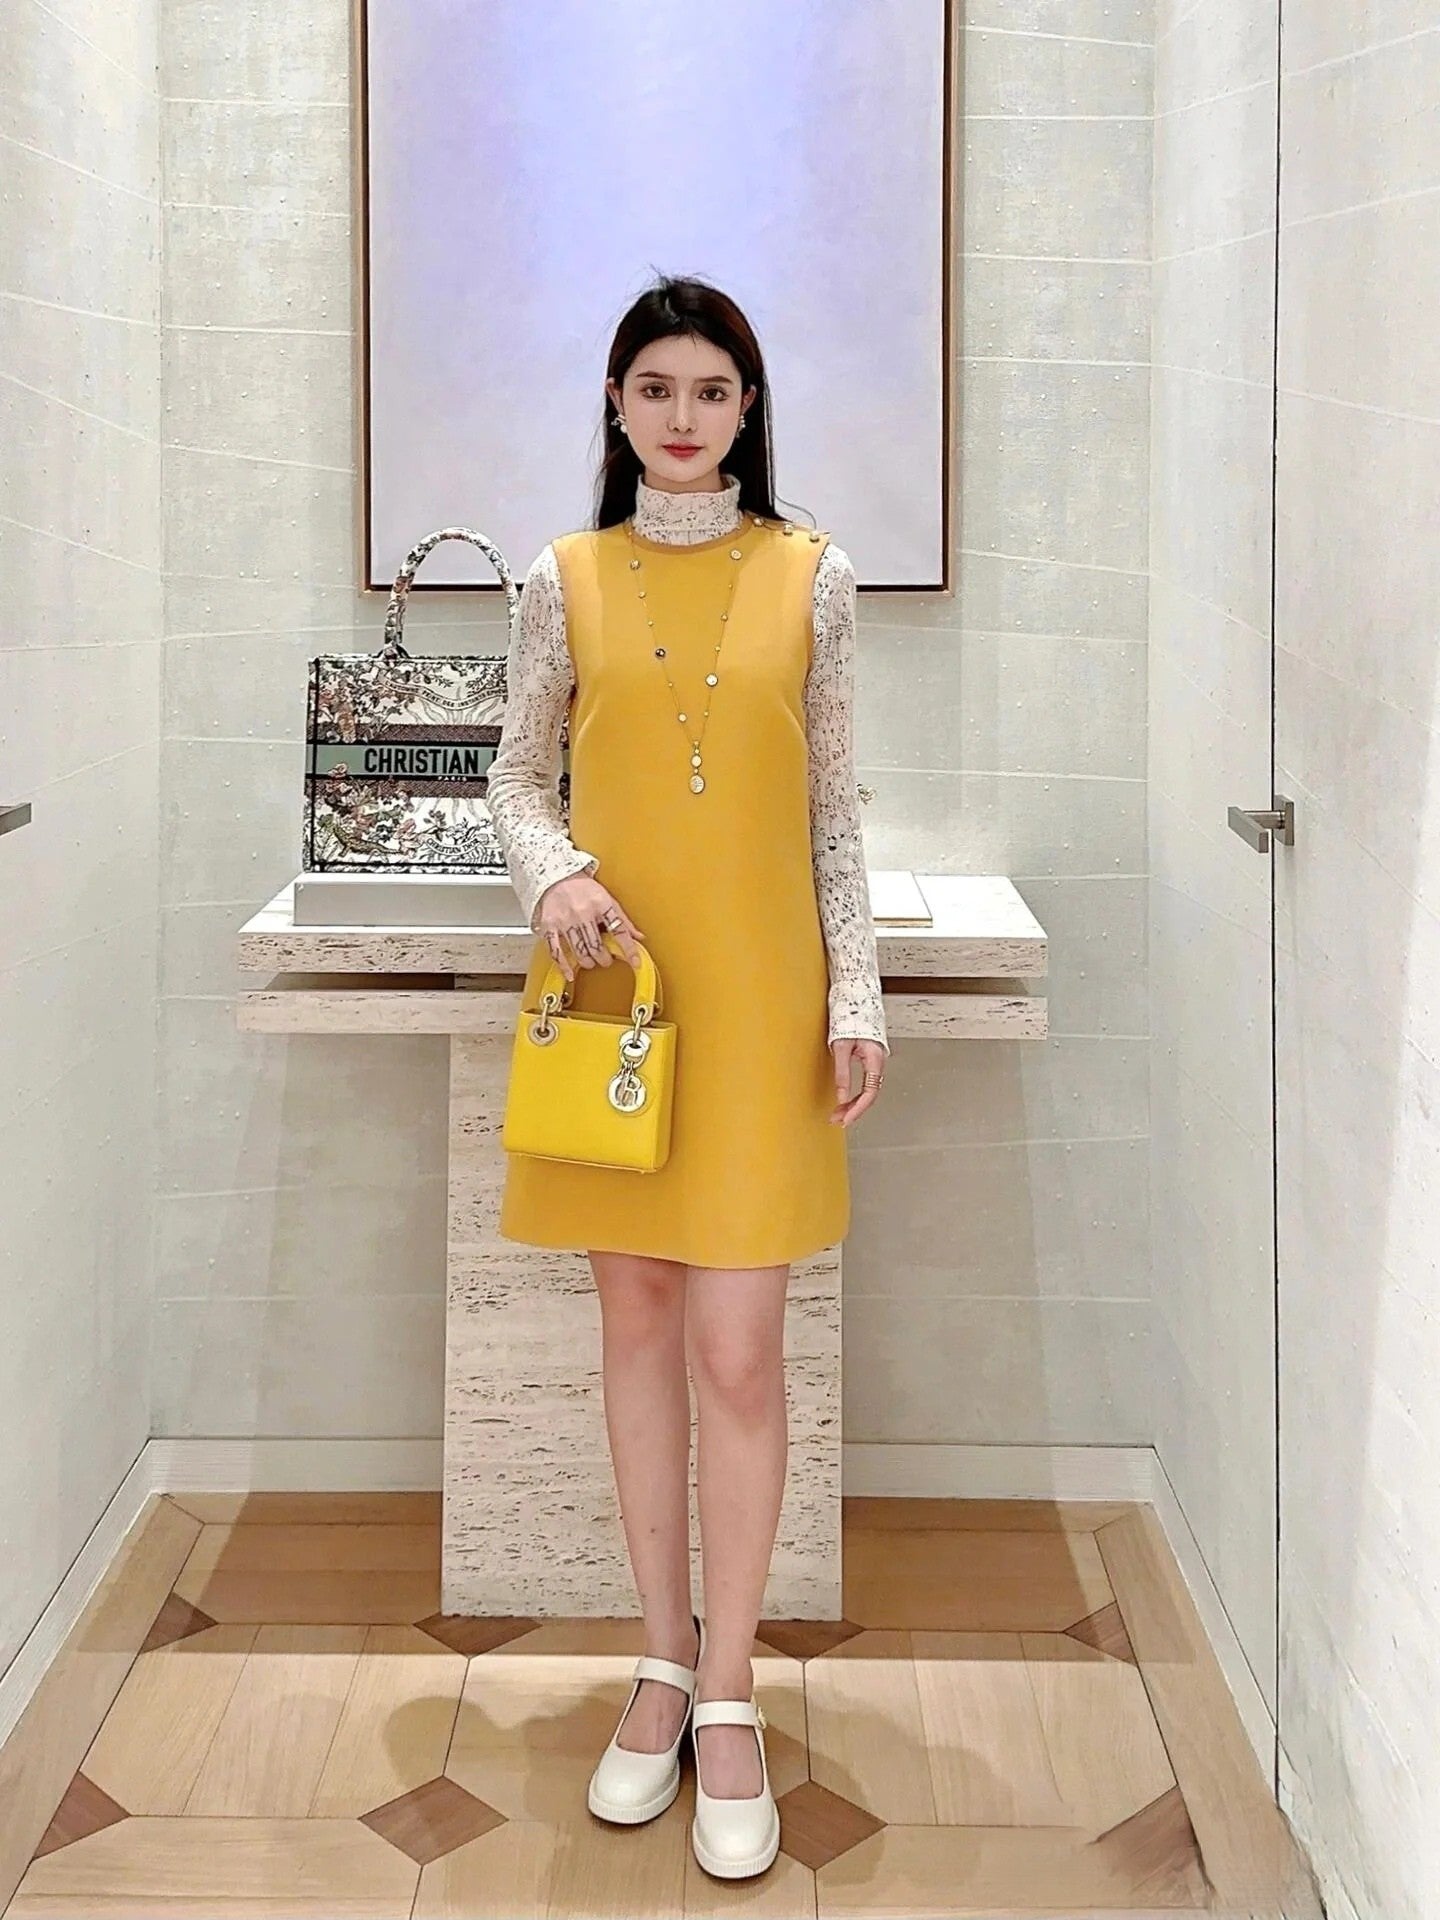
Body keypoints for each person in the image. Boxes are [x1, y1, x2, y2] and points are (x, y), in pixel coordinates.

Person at [485, 273, 888, 1880]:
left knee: (739, 1354)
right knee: (638, 1330)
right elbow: (516, 779)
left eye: (710, 389)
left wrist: (856, 992)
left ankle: (731, 1692)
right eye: (654, 387)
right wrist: (556, 874)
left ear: (746, 409)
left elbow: (835, 810)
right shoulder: (561, 578)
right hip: (615, 1001)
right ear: (616, 404)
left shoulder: (816, 575)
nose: (681, 414)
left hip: (765, 1005)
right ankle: (659, 1663)